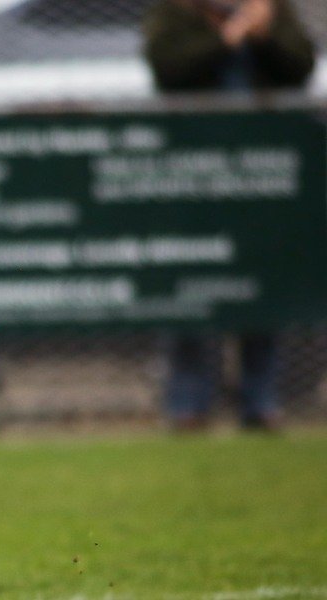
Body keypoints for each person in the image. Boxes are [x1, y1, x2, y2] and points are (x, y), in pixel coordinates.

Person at [143, 0, 315, 431]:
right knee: (190, 288)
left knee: (265, 288)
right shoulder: (176, 11)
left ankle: (261, 402)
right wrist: (228, 36)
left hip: (264, 178)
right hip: (192, 176)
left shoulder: (271, 8)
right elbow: (168, 68)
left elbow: (301, 67)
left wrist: (264, 33)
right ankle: (189, 405)